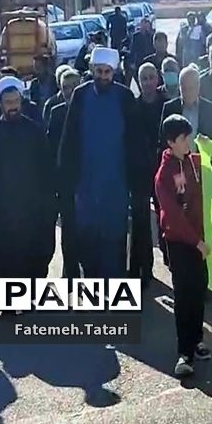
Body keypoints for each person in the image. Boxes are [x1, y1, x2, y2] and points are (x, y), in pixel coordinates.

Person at [58, 47, 145, 280]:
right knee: (87, 240)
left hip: (116, 183)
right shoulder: (80, 95)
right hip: (86, 184)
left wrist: (136, 183)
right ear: (92, 70)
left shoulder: (125, 98)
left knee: (114, 240)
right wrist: (66, 182)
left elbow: (136, 144)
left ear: (113, 72)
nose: (103, 76)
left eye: (107, 72)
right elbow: (69, 142)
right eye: (99, 71)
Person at [0, 76, 55, 313]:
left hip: (31, 209)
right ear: (1, 104)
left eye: (15, 100)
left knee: (33, 255)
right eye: (7, 101)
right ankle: (8, 305)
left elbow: (47, 170)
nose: (12, 105)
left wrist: (49, 203)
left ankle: (31, 300)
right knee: (3, 257)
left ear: (21, 101)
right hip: (1, 212)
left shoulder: (33, 131)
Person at [154, 114, 211, 379]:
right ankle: (184, 352)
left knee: (199, 289)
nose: (189, 141)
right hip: (180, 242)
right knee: (184, 295)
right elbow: (173, 216)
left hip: (197, 239)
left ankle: (198, 339)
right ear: (171, 142)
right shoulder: (164, 173)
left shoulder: (192, 161)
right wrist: (196, 241)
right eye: (184, 138)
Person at [46, 67, 82, 278]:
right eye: (66, 88)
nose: (70, 91)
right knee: (68, 228)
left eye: (74, 87)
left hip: (87, 180)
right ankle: (70, 271)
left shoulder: (89, 109)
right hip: (65, 181)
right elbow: (51, 148)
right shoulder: (56, 112)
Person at [162, 65, 212, 145]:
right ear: (179, 87)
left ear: (198, 87)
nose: (187, 93)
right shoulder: (170, 108)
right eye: (184, 88)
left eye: (191, 88)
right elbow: (163, 142)